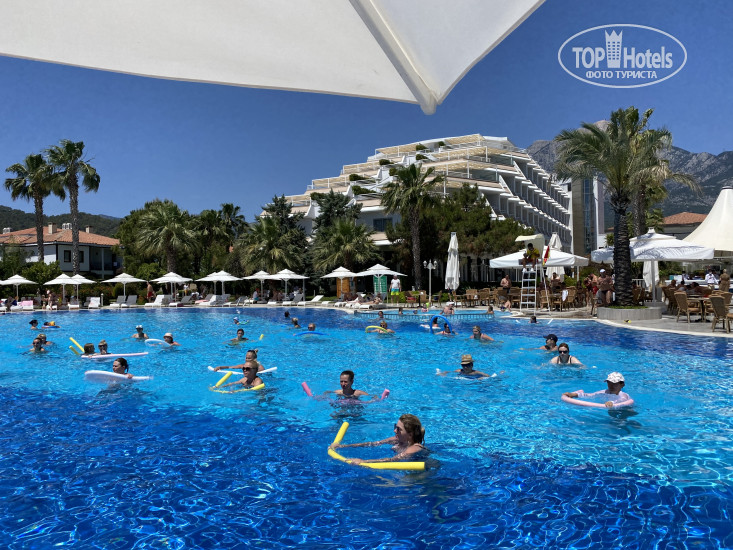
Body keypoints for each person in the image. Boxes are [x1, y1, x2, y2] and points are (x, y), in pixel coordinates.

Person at [330, 414, 426, 464]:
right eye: (395, 427)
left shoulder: (414, 448)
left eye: (399, 429)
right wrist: (342, 446)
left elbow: (392, 460)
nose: (394, 431)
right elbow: (372, 444)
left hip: (421, 472)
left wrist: (363, 461)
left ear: (410, 434)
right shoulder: (397, 440)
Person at [563, 372, 633, 408]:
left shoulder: (623, 395)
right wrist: (574, 394)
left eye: (614, 383)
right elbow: (590, 395)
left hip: (625, 410)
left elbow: (622, 400)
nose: (611, 385)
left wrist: (612, 402)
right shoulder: (604, 392)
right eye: (609, 382)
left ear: (622, 384)